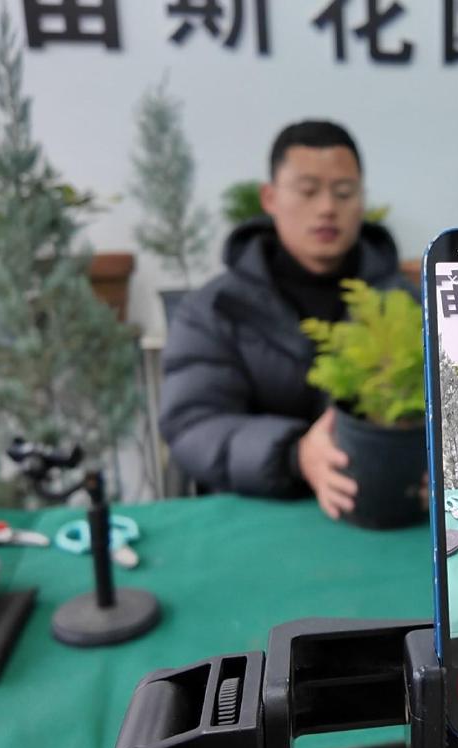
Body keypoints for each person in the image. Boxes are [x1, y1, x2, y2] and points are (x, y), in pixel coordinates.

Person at [158, 120, 414, 518]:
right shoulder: (214, 309)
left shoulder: (406, 305)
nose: (327, 208)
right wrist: (294, 453)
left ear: (361, 200)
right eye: (308, 191)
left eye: (343, 192)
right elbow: (193, 423)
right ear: (271, 197)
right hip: (257, 515)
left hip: (380, 513)